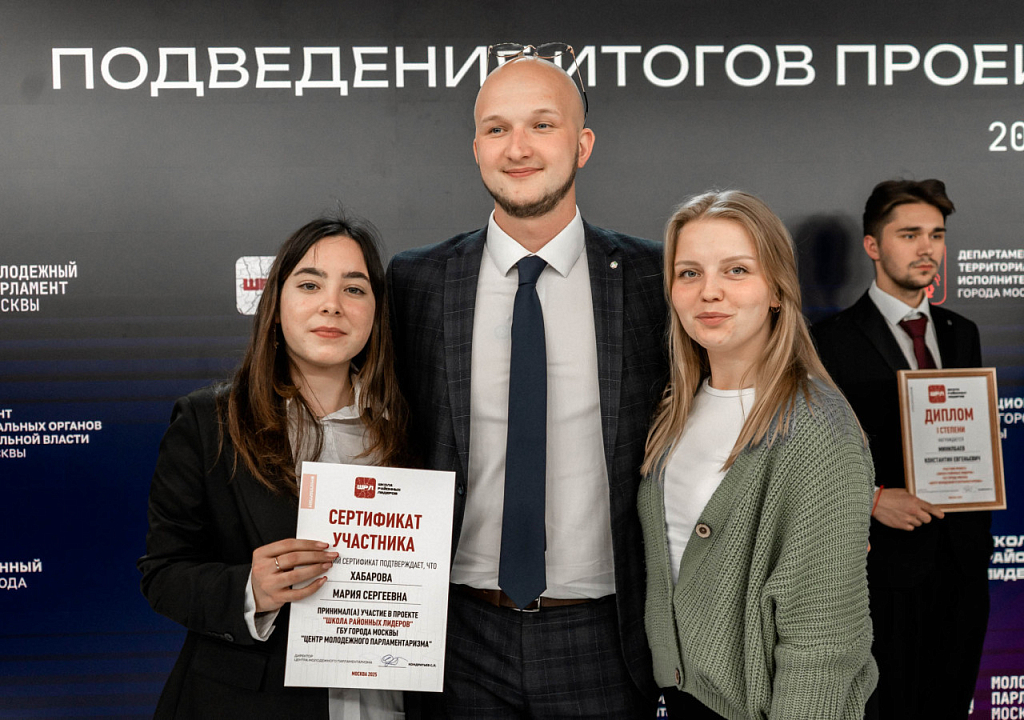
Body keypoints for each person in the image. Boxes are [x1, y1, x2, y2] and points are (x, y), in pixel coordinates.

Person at [387, 45, 667, 717]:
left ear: (583, 145)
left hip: (604, 636)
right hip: (456, 636)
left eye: (542, 124)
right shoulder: (416, 281)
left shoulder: (656, 279)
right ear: (476, 148)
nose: (518, 147)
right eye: (497, 128)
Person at [138, 215, 409, 719]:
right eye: (310, 284)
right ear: (275, 307)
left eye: (355, 288)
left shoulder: (414, 430)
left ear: (376, 313)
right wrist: (252, 590)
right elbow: (164, 573)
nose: (332, 304)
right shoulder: (208, 423)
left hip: (389, 699)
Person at [640, 190, 878, 719]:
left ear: (776, 290)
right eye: (689, 273)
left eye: (737, 270)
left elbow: (823, 642)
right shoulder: (676, 408)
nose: (710, 292)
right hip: (683, 700)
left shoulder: (815, 430)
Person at [812, 179, 991, 719]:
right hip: (882, 572)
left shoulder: (962, 333)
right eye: (909, 234)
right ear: (873, 246)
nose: (927, 248)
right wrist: (870, 498)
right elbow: (806, 455)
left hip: (962, 566)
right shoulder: (830, 340)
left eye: (936, 235)